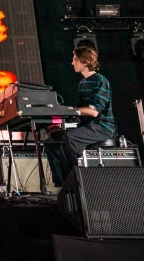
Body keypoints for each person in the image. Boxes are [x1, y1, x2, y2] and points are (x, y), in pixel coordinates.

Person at [46, 46, 116, 187]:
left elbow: (94, 111)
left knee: (69, 139)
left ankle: (77, 180)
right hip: (87, 126)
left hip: (102, 127)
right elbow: (80, 112)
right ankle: (62, 184)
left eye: (75, 59)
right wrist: (63, 122)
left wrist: (71, 111)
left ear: (85, 61)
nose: (72, 63)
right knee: (51, 142)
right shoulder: (83, 83)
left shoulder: (100, 80)